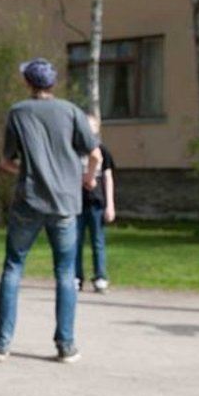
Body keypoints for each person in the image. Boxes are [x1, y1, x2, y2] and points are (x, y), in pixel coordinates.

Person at [0, 58, 100, 364]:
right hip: (65, 203)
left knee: (13, 267)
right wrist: (88, 178)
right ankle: (65, 345)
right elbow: (95, 153)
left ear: (28, 83)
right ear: (53, 83)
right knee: (65, 273)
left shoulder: (18, 112)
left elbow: (7, 161)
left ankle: (2, 344)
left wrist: (24, 170)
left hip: (29, 201)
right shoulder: (71, 111)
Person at [76, 115, 116, 293]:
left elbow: (108, 177)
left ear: (97, 129)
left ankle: (100, 277)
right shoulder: (74, 150)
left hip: (96, 202)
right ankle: (76, 277)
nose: (88, 129)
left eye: (91, 126)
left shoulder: (102, 150)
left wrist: (110, 204)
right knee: (74, 242)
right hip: (76, 202)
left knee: (97, 241)